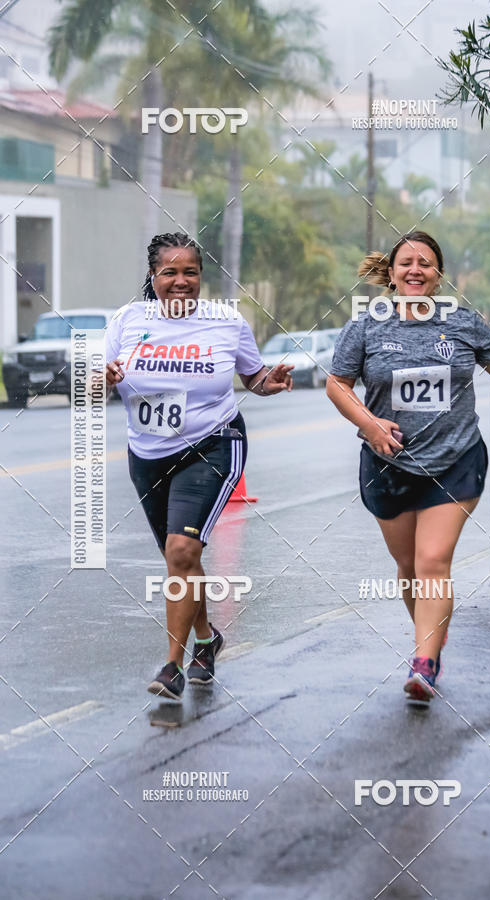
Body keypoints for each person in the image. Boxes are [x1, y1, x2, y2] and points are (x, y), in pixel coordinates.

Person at [326, 231, 490, 706]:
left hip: (455, 460)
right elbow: (337, 385)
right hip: (389, 464)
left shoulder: (462, 323)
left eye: (426, 263)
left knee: (432, 562)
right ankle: (430, 634)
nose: (416, 270)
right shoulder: (366, 327)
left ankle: (424, 664)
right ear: (393, 272)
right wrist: (371, 426)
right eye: (407, 263)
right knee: (407, 568)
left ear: (439, 274)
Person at [104, 232, 293, 700]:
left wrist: (272, 381)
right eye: (170, 272)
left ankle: (172, 665)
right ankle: (207, 641)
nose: (181, 281)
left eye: (190, 272)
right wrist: (99, 377)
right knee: (178, 560)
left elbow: (253, 378)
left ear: (201, 278)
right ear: (153, 277)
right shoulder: (127, 321)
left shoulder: (226, 322)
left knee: (182, 554)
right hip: (147, 453)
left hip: (213, 444)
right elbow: (92, 379)